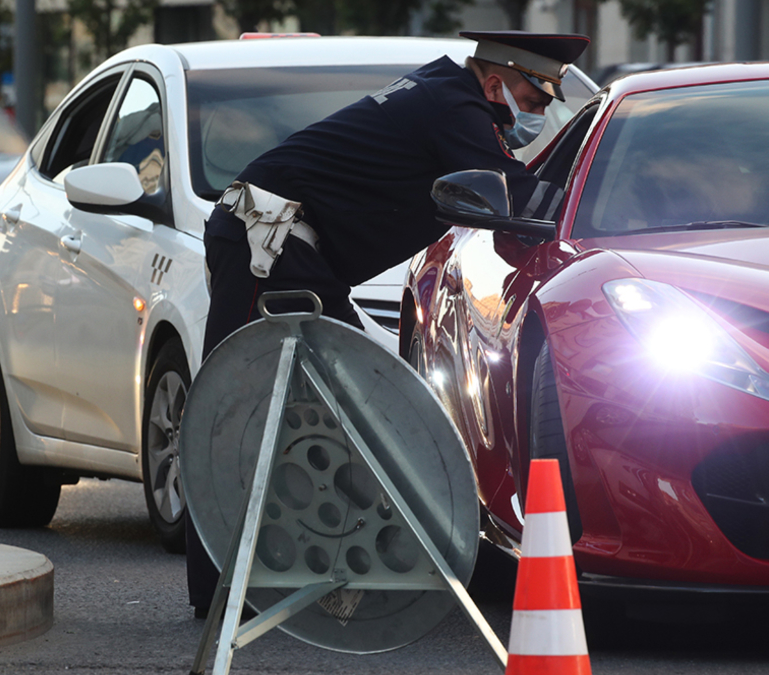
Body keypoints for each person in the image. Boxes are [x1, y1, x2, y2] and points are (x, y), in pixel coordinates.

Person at [186, 30, 591, 619]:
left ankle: (296, 579)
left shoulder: (445, 92)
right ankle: (221, 597)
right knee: (243, 413)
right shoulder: (458, 107)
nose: (538, 113)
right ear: (498, 82)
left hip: (292, 249)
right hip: (270, 245)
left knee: (341, 405)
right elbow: (514, 198)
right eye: (533, 101)